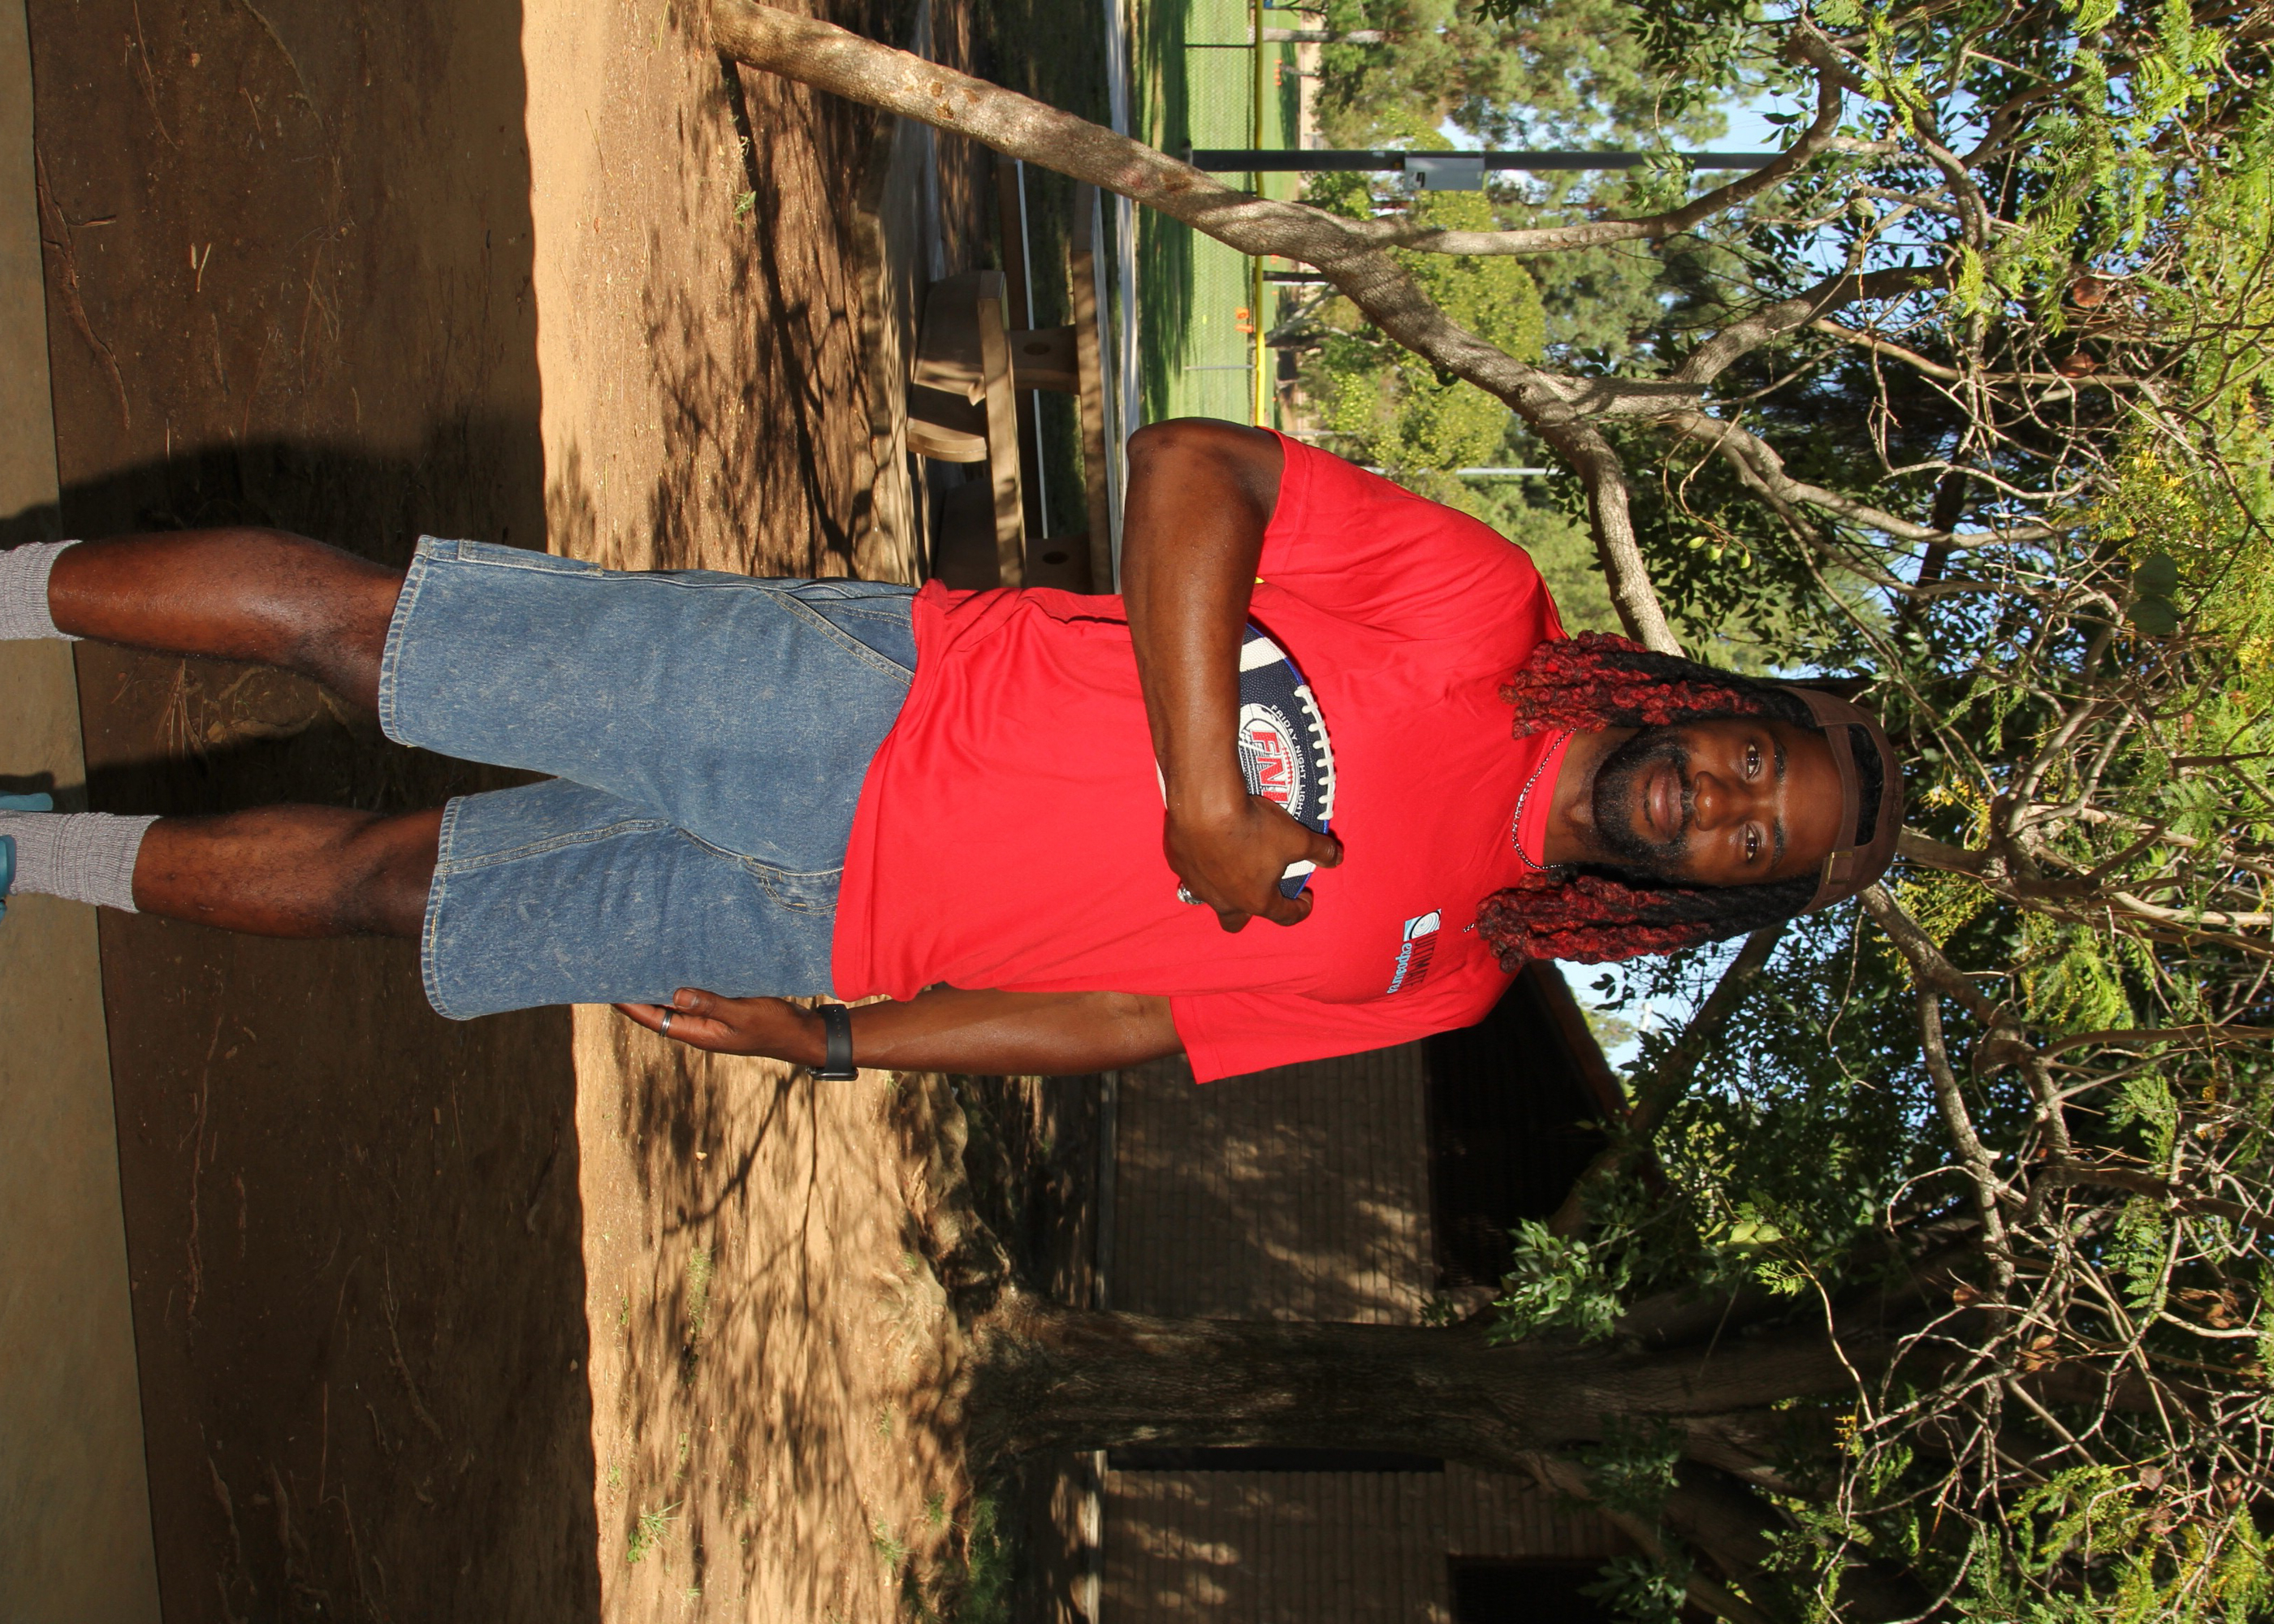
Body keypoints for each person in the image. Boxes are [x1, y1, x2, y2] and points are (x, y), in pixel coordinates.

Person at [0, 420, 1900, 1082]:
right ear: (1712, 703)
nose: (1722, 803)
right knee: (373, 643)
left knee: (396, 893)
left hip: (829, 930)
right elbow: (1191, 471)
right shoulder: (1482, 611)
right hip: (861, 708)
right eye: (1754, 762)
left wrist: (840, 1042)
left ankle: (32, 851)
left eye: (1750, 841)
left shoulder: (1454, 973)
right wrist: (1203, 795)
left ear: (1695, 895)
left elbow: (1130, 1020)